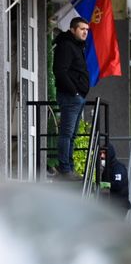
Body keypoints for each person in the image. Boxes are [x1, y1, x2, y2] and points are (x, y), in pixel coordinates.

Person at [53, 17, 90, 179]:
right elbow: (60, 71)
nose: (85, 32)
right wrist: (74, 92)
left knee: (72, 135)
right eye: (82, 29)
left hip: (77, 97)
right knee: (67, 134)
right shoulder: (67, 46)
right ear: (73, 29)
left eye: (87, 30)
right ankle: (65, 168)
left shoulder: (76, 46)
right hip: (70, 97)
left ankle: (69, 167)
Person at [99, 144, 129, 215]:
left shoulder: (118, 168)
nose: (102, 156)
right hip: (111, 205)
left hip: (120, 206)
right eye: (100, 153)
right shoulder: (106, 170)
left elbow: (118, 184)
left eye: (104, 153)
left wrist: (103, 185)